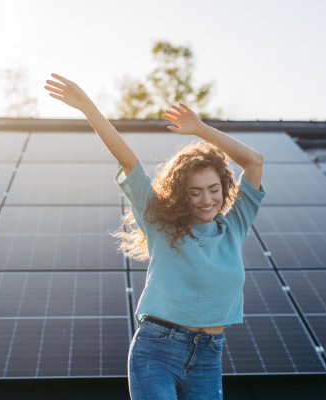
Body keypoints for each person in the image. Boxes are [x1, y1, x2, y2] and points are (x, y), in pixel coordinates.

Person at [44, 73, 265, 400]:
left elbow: (254, 161)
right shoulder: (162, 224)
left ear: (225, 188)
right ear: (181, 194)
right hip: (156, 351)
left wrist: (201, 129)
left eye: (214, 189)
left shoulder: (234, 225)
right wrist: (87, 106)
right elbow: (128, 160)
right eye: (195, 192)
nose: (207, 200)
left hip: (208, 355)